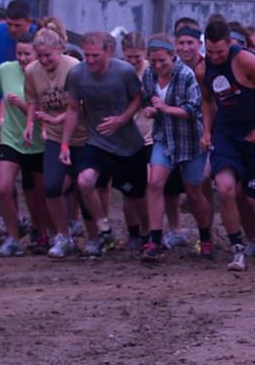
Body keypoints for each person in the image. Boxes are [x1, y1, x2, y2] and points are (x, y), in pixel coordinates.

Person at [198, 19, 255, 271]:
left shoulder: (245, 60)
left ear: (229, 43)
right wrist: (207, 131)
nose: (216, 57)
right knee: (225, 189)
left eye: (220, 52)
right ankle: (237, 248)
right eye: (210, 52)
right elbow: (208, 102)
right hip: (226, 134)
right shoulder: (203, 68)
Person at [65, 32, 148, 256]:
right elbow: (73, 109)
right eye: (87, 55)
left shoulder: (124, 72)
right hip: (97, 141)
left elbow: (138, 98)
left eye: (95, 56)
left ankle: (149, 236)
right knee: (85, 182)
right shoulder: (77, 74)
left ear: (109, 52)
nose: (90, 60)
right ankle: (103, 229)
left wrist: (122, 119)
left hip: (129, 144)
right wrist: (64, 144)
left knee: (136, 196)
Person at [141, 37, 210, 263]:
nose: (158, 66)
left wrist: (166, 108)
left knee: (193, 192)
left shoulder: (186, 75)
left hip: (190, 140)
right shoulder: (149, 75)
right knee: (154, 184)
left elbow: (193, 109)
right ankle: (155, 239)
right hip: (165, 138)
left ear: (172, 56)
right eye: (153, 61)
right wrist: (151, 110)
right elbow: (146, 99)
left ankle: (206, 237)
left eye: (162, 61)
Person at [22, 24, 82, 257]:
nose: (43, 60)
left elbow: (80, 106)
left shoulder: (74, 69)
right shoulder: (32, 71)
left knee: (85, 186)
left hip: (82, 135)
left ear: (60, 49)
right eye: (40, 56)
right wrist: (29, 124)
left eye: (48, 55)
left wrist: (57, 118)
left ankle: (97, 234)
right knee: (51, 186)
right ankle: (62, 235)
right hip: (55, 137)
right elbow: (33, 101)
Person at [0, 39, 50, 256]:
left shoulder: (44, 75)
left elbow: (46, 117)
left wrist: (21, 106)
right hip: (11, 139)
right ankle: (13, 238)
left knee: (38, 195)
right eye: (19, 54)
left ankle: (42, 234)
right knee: (3, 188)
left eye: (27, 54)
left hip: (38, 142)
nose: (22, 59)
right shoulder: (5, 70)